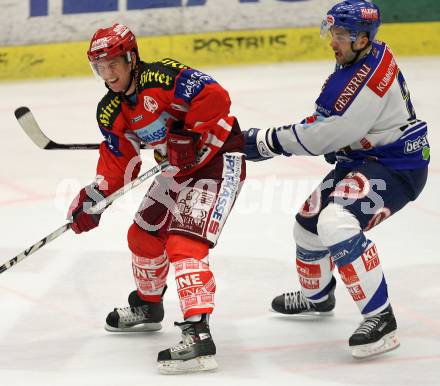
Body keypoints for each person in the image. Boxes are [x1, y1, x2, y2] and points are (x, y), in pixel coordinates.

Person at [243, 0, 429, 359]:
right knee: (307, 228)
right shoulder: (365, 56)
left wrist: (264, 141)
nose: (333, 42)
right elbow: (338, 128)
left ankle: (381, 320)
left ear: (363, 39)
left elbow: (325, 132)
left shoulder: (364, 78)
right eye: (333, 33)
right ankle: (319, 297)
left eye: (341, 35)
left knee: (337, 223)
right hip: (366, 157)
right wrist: (341, 139)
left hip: (397, 166)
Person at [67, 23, 245, 374]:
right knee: (142, 236)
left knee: (183, 243)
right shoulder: (110, 111)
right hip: (176, 172)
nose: (108, 73)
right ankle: (149, 307)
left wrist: (187, 131)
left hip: (218, 159)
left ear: (132, 57)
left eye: (114, 63)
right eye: (100, 68)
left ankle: (198, 334)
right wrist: (95, 197)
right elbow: (120, 165)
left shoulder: (164, 78)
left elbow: (217, 96)